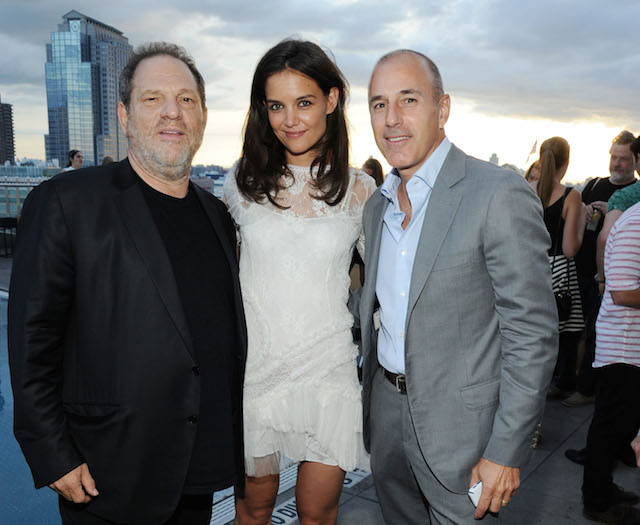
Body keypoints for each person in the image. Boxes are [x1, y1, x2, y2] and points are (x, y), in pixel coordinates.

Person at [8, 42, 247, 524]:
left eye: (186, 99)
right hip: (108, 471)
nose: (172, 112)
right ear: (124, 115)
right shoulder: (67, 202)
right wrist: (52, 452)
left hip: (197, 468)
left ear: (202, 117)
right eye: (153, 98)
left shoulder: (217, 215)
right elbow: (33, 339)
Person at [358, 49, 558, 524]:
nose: (392, 119)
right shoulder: (377, 206)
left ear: (442, 107)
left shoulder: (496, 193)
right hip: (386, 418)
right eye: (379, 104)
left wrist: (506, 449)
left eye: (409, 99)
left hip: (466, 435)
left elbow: (532, 333)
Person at [223, 39, 373, 525]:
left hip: (327, 369)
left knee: (317, 514)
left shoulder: (360, 189)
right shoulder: (240, 184)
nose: (289, 119)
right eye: (276, 106)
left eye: (303, 102)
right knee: (254, 511)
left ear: (331, 99)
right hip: (256, 372)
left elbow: (390, 279)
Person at [564, 131, 638, 408]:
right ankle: (568, 381)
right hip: (580, 269)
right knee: (574, 329)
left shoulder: (632, 195)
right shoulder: (594, 185)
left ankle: (587, 388)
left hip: (609, 277)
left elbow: (609, 237)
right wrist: (583, 214)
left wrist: (614, 214)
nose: (616, 163)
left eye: (623, 158)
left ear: (634, 161)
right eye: (613, 157)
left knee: (596, 332)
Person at [580, 201, 640, 524]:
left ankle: (602, 488)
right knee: (609, 428)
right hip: (623, 348)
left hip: (629, 348)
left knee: (616, 428)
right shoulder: (636, 223)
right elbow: (623, 293)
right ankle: (597, 501)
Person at [530, 137, 587, 399]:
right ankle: (560, 384)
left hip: (530, 269)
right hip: (558, 272)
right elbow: (569, 249)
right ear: (566, 163)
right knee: (566, 333)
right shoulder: (570, 195)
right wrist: (582, 222)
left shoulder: (526, 189)